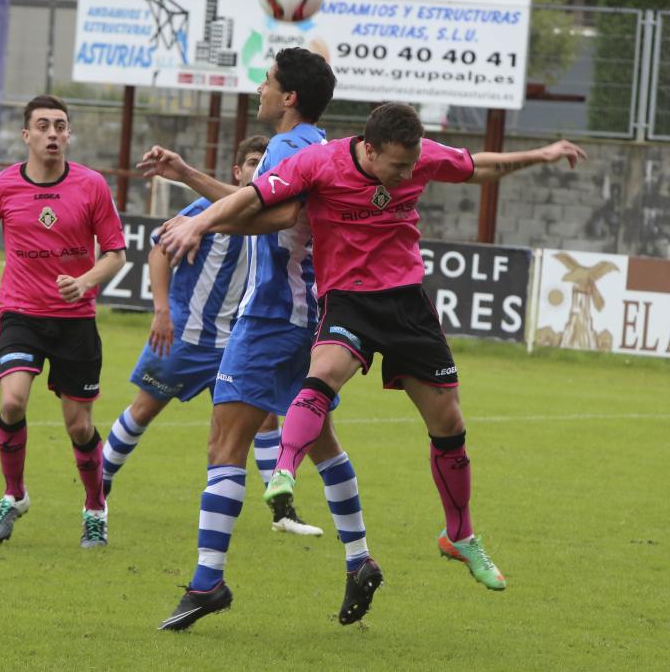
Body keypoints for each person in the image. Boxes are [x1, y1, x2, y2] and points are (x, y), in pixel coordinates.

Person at [159, 101, 588, 620]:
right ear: (369, 147)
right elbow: (251, 198)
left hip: (407, 303)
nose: (409, 174)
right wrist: (197, 224)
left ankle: (460, 536)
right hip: (348, 300)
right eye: (398, 166)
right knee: (323, 375)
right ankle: (285, 474)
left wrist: (544, 153)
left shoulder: (418, 157)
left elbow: (481, 167)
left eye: (412, 165)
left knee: (449, 422)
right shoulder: (317, 163)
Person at [140, 48, 369, 631]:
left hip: (269, 316)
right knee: (320, 440)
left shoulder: (285, 149)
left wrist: (200, 220)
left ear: (289, 97)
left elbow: (275, 213)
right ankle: (359, 556)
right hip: (309, 315)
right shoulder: (318, 147)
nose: (261, 90)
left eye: (268, 82)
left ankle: (207, 582)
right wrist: (191, 178)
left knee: (225, 447)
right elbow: (259, 200)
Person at [102, 135, 322, 535]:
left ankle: (283, 511)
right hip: (188, 335)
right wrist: (162, 311)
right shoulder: (208, 209)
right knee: (143, 410)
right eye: (252, 162)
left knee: (265, 419)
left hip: (239, 341)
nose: (259, 169)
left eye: (265, 161)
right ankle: (97, 484)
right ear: (237, 171)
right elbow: (158, 251)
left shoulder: (275, 217)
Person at [0, 94, 126, 548]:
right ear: (26, 134)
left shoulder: (91, 186)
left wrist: (85, 280)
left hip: (75, 321)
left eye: (61, 126)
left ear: (68, 134)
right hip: (20, 313)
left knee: (79, 427)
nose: (53, 133)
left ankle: (95, 508)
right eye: (44, 126)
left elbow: (116, 254)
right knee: (12, 402)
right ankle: (14, 496)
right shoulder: (1, 187)